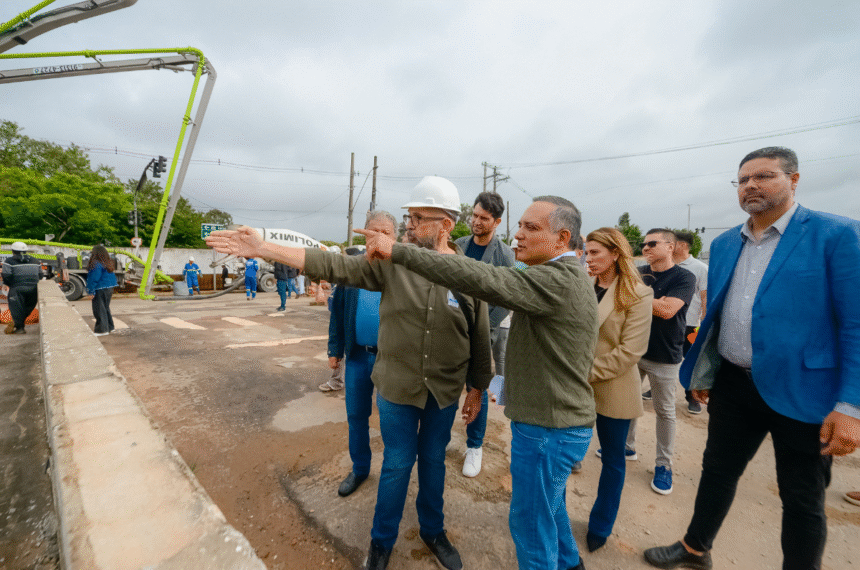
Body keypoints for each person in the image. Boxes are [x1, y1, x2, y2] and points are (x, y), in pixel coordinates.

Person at [206, 175, 492, 570]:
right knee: (396, 463)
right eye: (408, 217)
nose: (408, 225)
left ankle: (432, 530)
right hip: (396, 387)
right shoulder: (390, 264)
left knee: (433, 462)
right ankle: (381, 541)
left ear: (446, 225)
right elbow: (333, 264)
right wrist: (262, 247)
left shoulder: (467, 273)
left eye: (418, 218)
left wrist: (477, 388)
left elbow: (480, 336)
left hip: (443, 391)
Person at [644, 147, 860, 570]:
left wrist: (850, 405)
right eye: (742, 180)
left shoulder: (836, 235)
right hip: (734, 384)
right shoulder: (725, 243)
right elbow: (718, 314)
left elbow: (855, 324)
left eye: (764, 176)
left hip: (804, 392)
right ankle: (695, 547)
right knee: (717, 471)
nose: (751, 186)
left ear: (794, 180)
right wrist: (704, 371)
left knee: (802, 497)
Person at [358, 195, 599, 570]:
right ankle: (571, 564)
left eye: (530, 228)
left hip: (547, 429)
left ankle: (436, 530)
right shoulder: (556, 274)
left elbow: (481, 285)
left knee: (532, 529)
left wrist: (400, 252)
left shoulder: (555, 280)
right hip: (555, 424)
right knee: (550, 511)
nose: (517, 235)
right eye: (519, 225)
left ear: (563, 238)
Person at [581, 227, 653, 553]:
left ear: (615, 253)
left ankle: (601, 525)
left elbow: (629, 353)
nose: (588, 257)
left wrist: (580, 374)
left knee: (613, 461)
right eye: (586, 251)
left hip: (612, 386)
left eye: (595, 252)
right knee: (562, 454)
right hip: (576, 388)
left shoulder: (637, 293)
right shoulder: (582, 285)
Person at [328, 211, 398, 498]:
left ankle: (393, 475)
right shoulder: (351, 269)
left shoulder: (402, 271)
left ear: (395, 237)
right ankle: (359, 468)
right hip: (357, 357)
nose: (379, 236)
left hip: (391, 361)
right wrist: (335, 349)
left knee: (391, 419)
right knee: (356, 416)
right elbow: (338, 313)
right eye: (374, 231)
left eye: (386, 232)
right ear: (364, 235)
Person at [626, 228, 695, 496]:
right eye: (644, 244)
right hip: (634, 349)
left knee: (665, 412)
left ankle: (664, 465)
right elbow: (622, 298)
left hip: (665, 355)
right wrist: (653, 300)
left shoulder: (684, 276)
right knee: (629, 404)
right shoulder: (638, 272)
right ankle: (627, 446)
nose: (646, 248)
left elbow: (667, 311)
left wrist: (640, 297)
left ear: (670, 246)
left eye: (652, 243)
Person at [454, 191, 515, 477]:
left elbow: (506, 299)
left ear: (497, 222)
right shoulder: (458, 246)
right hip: (451, 328)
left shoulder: (504, 255)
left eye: (484, 218)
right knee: (445, 385)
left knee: (476, 387)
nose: (476, 222)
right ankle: (438, 436)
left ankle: (475, 446)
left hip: (483, 334)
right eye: (474, 215)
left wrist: (482, 327)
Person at [672, 230, 709, 414]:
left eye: (673, 242)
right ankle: (658, 391)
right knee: (665, 360)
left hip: (690, 324)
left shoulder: (699, 267)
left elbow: (705, 296)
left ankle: (692, 397)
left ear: (683, 245)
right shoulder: (666, 264)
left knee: (691, 362)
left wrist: (704, 324)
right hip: (667, 322)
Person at [2, 241, 40, 334]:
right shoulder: (36, 261)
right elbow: (41, 275)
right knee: (28, 307)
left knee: (16, 308)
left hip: (17, 288)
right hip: (34, 289)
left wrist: (8, 284)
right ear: (26, 251)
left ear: (13, 251)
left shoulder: (9, 261)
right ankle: (18, 323)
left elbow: (6, 275)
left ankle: (19, 328)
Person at [87, 245, 118, 337]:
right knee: (105, 308)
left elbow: (94, 278)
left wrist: (90, 291)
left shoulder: (96, 263)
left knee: (99, 309)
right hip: (109, 288)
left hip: (100, 288)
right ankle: (109, 327)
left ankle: (102, 330)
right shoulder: (107, 262)